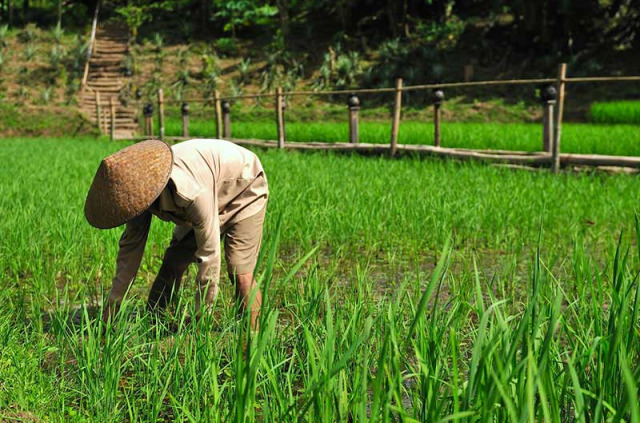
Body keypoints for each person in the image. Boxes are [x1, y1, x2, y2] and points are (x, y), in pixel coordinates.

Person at [84, 139, 268, 329]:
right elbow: (130, 251)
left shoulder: (191, 193)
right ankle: (154, 321)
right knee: (174, 260)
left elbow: (210, 254)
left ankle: (253, 337)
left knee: (240, 271)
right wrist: (112, 308)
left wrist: (202, 316)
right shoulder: (135, 196)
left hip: (244, 185)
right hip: (210, 183)